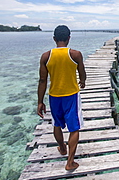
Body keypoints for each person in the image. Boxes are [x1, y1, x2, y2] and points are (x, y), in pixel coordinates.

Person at [37, 25, 86, 171]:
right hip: (71, 95)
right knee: (74, 128)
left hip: (54, 96)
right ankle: (70, 162)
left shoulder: (46, 56)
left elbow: (42, 80)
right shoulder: (75, 54)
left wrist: (40, 101)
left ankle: (62, 148)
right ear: (69, 38)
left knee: (56, 124)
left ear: (54, 39)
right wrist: (82, 82)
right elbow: (82, 72)